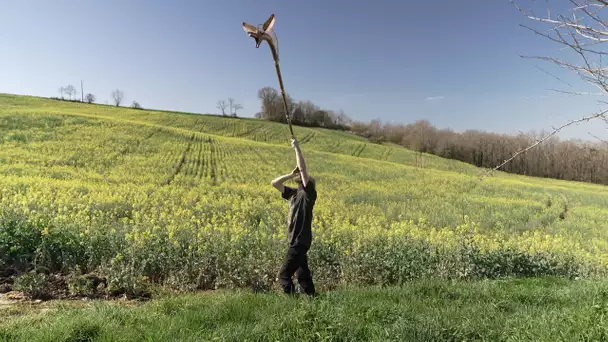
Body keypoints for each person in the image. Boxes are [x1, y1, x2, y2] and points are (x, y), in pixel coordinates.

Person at [270, 137, 317, 296]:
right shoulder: (293, 194)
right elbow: (274, 183)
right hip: (295, 240)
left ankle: (290, 302)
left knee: (284, 275)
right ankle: (311, 296)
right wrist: (290, 175)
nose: (303, 177)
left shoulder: (309, 195)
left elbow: (303, 170)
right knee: (302, 272)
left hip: (300, 240)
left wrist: (296, 148)